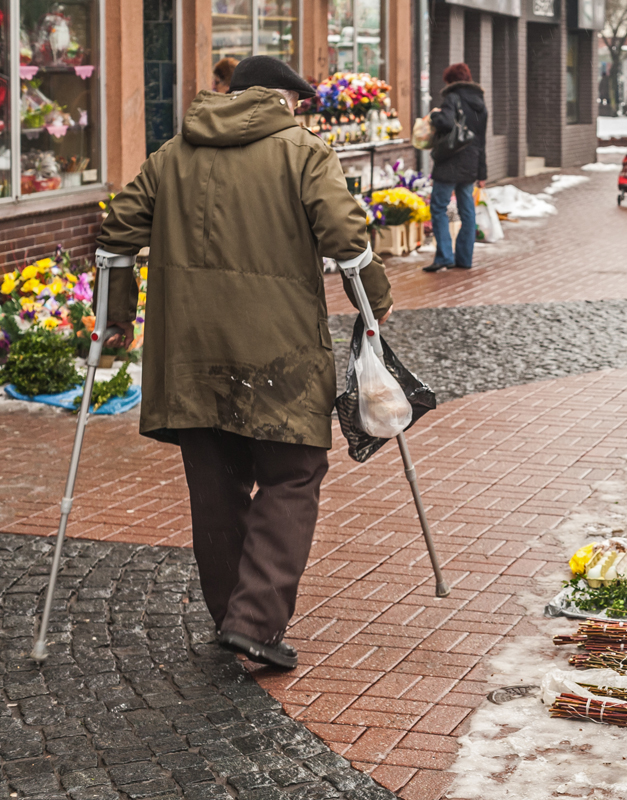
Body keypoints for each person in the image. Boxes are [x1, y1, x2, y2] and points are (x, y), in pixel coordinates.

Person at [96, 56, 393, 669]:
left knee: (216, 484)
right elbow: (345, 236)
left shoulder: (171, 153)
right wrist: (376, 303)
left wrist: (117, 317)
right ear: (283, 98)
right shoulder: (303, 152)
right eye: (301, 103)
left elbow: (117, 232)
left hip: (189, 353)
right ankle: (253, 622)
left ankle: (231, 615)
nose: (305, 111)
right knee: (294, 472)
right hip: (276, 351)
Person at [424, 62, 488, 272]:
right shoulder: (480, 102)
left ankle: (444, 256)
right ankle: (464, 258)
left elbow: (446, 123)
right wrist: (482, 172)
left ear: (451, 81)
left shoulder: (453, 97)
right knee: (467, 210)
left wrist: (435, 115)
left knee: (438, 207)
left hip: (451, 160)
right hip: (470, 163)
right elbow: (481, 140)